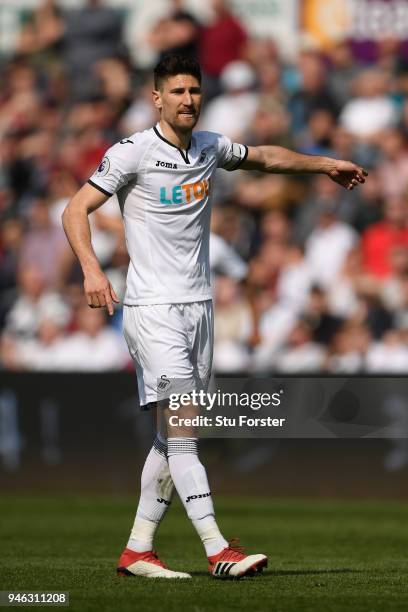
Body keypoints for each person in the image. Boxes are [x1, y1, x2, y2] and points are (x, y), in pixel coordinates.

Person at [62, 54, 367, 580]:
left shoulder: (209, 147)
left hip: (199, 308)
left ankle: (138, 550)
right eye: (177, 91)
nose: (188, 100)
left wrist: (324, 163)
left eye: (195, 91)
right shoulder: (132, 152)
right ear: (156, 97)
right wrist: (92, 270)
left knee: (176, 437)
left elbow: (265, 157)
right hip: (154, 308)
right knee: (183, 429)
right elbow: (75, 209)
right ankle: (217, 548)